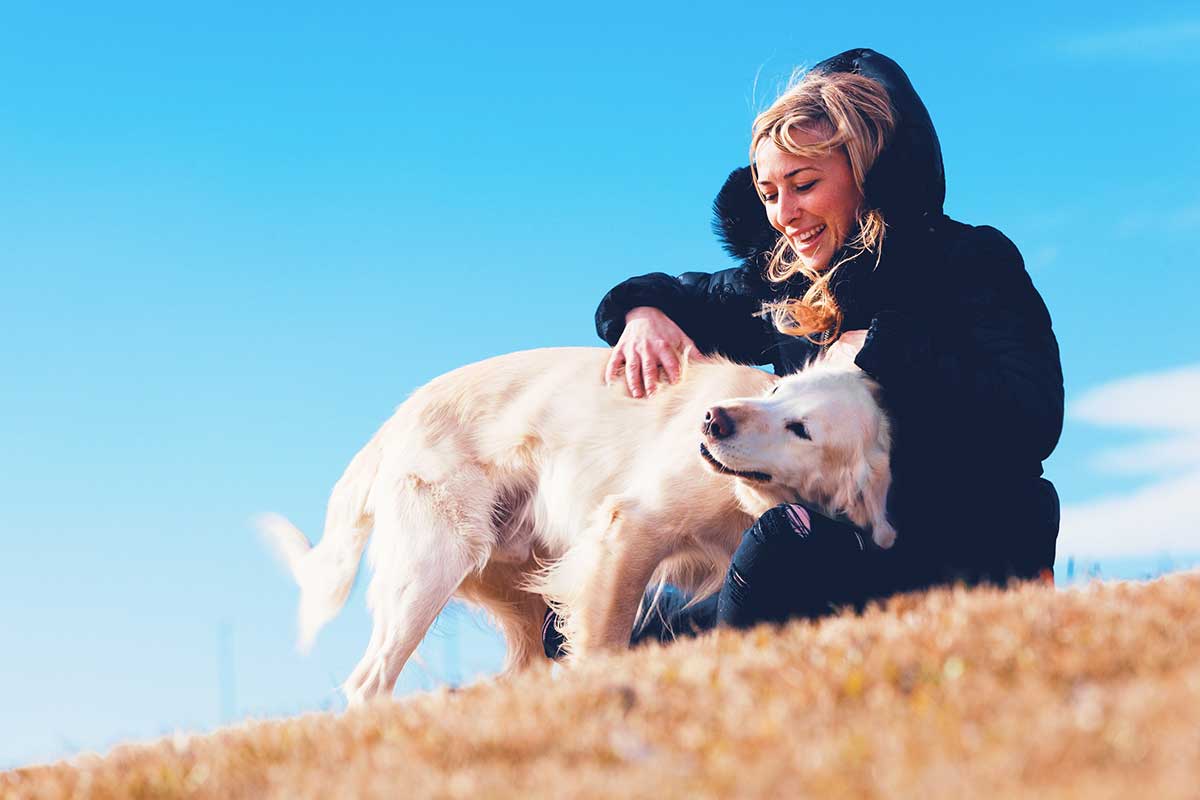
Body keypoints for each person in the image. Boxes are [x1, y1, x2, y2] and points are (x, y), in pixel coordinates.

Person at [544, 48, 1063, 656]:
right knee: (583, 632)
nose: (785, 215)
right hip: (838, 549)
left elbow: (1033, 420)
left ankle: (736, 711)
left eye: (805, 185)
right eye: (768, 194)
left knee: (776, 541)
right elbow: (690, 295)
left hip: (965, 541)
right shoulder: (791, 288)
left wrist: (885, 350)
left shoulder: (970, 260)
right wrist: (639, 314)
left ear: (869, 173)